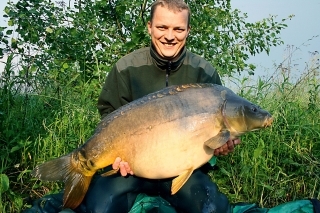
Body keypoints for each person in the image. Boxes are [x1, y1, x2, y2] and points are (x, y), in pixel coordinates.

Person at [23, 0, 320, 213]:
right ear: (150, 27)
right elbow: (110, 121)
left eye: (178, 29)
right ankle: (78, 167)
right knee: (100, 207)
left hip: (185, 170)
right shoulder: (126, 68)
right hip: (131, 170)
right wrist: (114, 160)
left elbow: (210, 145)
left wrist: (220, 150)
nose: (169, 35)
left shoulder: (205, 74)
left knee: (211, 208)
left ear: (187, 30)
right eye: (162, 26)